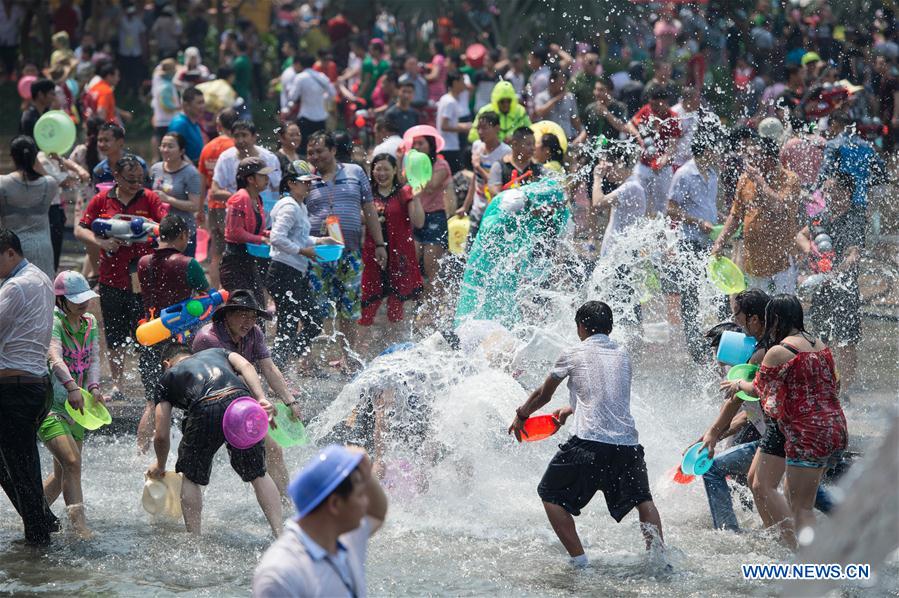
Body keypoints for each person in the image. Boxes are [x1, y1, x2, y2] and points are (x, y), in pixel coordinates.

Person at [508, 301, 664, 567]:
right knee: (643, 500)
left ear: (581, 326)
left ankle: (580, 562)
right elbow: (606, 395)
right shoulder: (623, 354)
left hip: (588, 444)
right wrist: (571, 410)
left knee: (549, 493)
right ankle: (659, 557)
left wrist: (522, 414)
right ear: (610, 327)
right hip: (627, 446)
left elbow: (542, 395)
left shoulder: (572, 353)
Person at [722, 294, 847, 548]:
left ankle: (808, 562)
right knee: (787, 494)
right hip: (834, 428)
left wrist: (737, 384)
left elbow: (758, 389)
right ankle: (791, 548)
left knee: (802, 507)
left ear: (775, 319)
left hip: (807, 435)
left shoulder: (779, 351)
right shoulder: (819, 344)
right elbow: (836, 383)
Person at [148, 343, 282, 536]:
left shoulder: (166, 378)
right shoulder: (217, 352)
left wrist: (160, 465)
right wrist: (261, 397)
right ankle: (279, 533)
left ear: (166, 363)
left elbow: (161, 435)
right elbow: (246, 367)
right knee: (258, 473)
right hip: (241, 401)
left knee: (191, 476)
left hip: (205, 406)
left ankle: (195, 539)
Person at [191, 290, 303, 498]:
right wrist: (262, 405)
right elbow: (232, 379)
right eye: (243, 315)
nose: (249, 322)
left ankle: (287, 504)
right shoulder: (208, 338)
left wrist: (290, 401)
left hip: (242, 405)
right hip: (209, 407)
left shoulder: (254, 333)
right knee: (195, 468)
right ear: (226, 315)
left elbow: (269, 368)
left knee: (273, 452)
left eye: (253, 317)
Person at [75, 154, 168, 399]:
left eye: (140, 179)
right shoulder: (101, 200)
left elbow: (166, 227)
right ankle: (117, 384)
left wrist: (150, 230)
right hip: (111, 278)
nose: (137, 184)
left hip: (143, 279)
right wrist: (101, 242)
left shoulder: (150, 198)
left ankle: (150, 382)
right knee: (115, 334)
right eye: (130, 180)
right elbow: (80, 228)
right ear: (116, 177)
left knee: (145, 330)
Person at [252, 445, 388, 597]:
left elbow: (376, 514)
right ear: (335, 504)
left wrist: (366, 473)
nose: (366, 503)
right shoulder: (281, 574)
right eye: (361, 495)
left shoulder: (345, 538)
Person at [305, 131, 388, 366]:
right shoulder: (305, 178)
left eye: (320, 151)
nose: (315, 157)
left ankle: (348, 358)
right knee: (316, 308)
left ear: (332, 150)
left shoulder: (355, 172)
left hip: (350, 252)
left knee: (349, 309)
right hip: (317, 253)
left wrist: (379, 243)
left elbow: (369, 209)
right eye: (311, 152)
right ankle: (308, 359)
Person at [0, 228, 58, 546]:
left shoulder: (16, 287)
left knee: (22, 471)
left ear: (10, 252)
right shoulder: (40, 277)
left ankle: (39, 548)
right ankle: (42, 519)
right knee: (14, 465)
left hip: (15, 390)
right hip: (33, 385)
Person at [136, 214, 210, 452]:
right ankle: (189, 453)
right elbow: (207, 299)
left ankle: (140, 454)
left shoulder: (143, 262)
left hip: (149, 334)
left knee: (152, 401)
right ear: (182, 236)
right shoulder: (188, 264)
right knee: (189, 401)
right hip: (179, 342)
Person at [41, 271, 103, 539]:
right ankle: (79, 528)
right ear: (60, 301)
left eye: (85, 298)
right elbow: (54, 357)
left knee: (61, 474)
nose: (83, 303)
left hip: (78, 409)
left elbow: (94, 360)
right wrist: (71, 387)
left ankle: (32, 513)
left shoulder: (89, 322)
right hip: (51, 406)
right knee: (72, 461)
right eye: (75, 299)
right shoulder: (53, 322)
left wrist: (94, 387)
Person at [800, 171, 865, 394]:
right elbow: (800, 235)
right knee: (820, 339)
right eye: (825, 191)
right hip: (823, 288)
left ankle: (844, 390)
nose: (828, 195)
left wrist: (835, 274)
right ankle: (825, 387)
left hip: (845, 290)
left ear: (846, 193)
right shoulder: (821, 217)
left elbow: (853, 255)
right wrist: (811, 251)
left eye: (833, 191)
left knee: (846, 342)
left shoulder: (855, 218)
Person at [712, 138, 802, 295]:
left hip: (782, 261)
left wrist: (760, 182)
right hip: (754, 261)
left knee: (781, 311)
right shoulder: (745, 180)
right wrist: (720, 242)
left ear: (770, 159)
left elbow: (779, 207)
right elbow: (735, 215)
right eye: (749, 156)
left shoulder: (790, 180)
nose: (750, 161)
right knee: (756, 312)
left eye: (755, 156)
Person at [266, 160, 333, 369]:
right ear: (291, 183)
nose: (308, 186)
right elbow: (276, 237)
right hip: (283, 271)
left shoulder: (299, 206)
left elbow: (299, 237)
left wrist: (320, 241)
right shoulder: (289, 206)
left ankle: (280, 363)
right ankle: (277, 370)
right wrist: (303, 251)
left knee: (313, 320)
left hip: (295, 272)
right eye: (304, 182)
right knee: (288, 324)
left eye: (310, 182)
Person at [666, 129, 723, 364]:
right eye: (714, 150)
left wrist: (719, 221)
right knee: (691, 293)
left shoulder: (712, 174)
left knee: (717, 290)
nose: (717, 154)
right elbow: (671, 208)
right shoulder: (684, 174)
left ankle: (718, 338)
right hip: (689, 241)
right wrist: (699, 222)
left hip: (709, 240)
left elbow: (709, 205)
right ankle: (694, 345)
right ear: (705, 151)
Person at [360, 154, 424, 347]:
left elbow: (419, 222)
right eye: (377, 169)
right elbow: (360, 218)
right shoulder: (368, 193)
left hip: (400, 257)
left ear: (395, 170)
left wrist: (417, 195)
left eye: (386, 169)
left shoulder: (404, 192)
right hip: (374, 257)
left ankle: (395, 349)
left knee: (396, 307)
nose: (381, 173)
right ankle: (359, 354)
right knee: (367, 306)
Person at [0, 136, 59, 279]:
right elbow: (47, 176)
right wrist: (35, 161)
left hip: (13, 252)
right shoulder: (49, 184)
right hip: (42, 249)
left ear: (13, 157)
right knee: (42, 293)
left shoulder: (2, 184)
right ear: (35, 157)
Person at [221, 157, 273, 305]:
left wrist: (270, 235)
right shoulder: (240, 198)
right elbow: (234, 233)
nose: (267, 179)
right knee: (243, 309)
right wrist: (261, 239)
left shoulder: (257, 199)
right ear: (250, 179)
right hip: (234, 263)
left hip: (249, 261)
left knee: (259, 307)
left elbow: (256, 231)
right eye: (263, 175)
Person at [407, 132, 451, 309]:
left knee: (431, 267)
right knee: (412, 265)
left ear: (431, 146)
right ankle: (420, 305)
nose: (417, 147)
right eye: (415, 144)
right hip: (416, 216)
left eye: (421, 144)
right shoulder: (410, 165)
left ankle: (435, 307)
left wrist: (416, 169)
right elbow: (403, 182)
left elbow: (431, 187)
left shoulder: (441, 164)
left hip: (435, 217)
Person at [197, 108, 239, 287]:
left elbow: (202, 182)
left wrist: (200, 209)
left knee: (216, 253)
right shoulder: (235, 147)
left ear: (219, 125)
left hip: (213, 205)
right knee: (236, 253)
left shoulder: (207, 147)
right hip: (232, 207)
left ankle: (215, 294)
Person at [627, 86, 682, 217]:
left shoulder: (673, 117)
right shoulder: (647, 110)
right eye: (653, 104)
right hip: (644, 165)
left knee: (662, 203)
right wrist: (639, 138)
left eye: (658, 104)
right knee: (638, 197)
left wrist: (665, 158)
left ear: (666, 102)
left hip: (663, 167)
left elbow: (673, 143)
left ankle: (659, 232)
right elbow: (630, 124)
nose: (655, 107)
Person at [456, 111, 511, 236]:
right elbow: (475, 180)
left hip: (494, 211)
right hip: (477, 210)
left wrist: (478, 167)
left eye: (485, 128)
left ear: (497, 128)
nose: (480, 132)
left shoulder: (505, 152)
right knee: (469, 251)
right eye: (478, 128)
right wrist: (465, 206)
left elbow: (498, 186)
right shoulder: (477, 146)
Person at [37, 148, 90, 272]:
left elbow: (67, 177)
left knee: (55, 249)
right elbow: (65, 181)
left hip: (57, 207)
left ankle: (52, 274)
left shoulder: (54, 156)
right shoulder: (41, 158)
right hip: (48, 209)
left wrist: (60, 161)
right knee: (50, 249)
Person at [149, 132, 203, 256]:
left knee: (182, 272)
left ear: (181, 151)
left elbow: (194, 205)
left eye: (170, 146)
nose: (165, 150)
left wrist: (168, 199)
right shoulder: (155, 169)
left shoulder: (191, 173)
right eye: (163, 145)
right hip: (159, 230)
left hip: (182, 233)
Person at [289, 53, 336, 142]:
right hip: (321, 117)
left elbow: (292, 97)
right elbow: (333, 93)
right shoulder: (322, 76)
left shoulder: (300, 78)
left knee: (303, 147)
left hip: (305, 116)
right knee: (318, 145)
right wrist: (324, 98)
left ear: (300, 64)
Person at [533, 68, 583, 141]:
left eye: (564, 84)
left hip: (567, 138)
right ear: (551, 83)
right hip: (549, 140)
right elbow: (540, 112)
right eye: (560, 84)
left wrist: (580, 134)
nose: (563, 87)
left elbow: (575, 119)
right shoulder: (541, 97)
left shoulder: (569, 97)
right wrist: (556, 99)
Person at [436, 72, 471, 173]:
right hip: (449, 147)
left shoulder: (446, 99)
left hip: (447, 146)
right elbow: (444, 126)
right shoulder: (450, 102)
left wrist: (466, 125)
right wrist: (464, 128)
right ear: (455, 83)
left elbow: (449, 123)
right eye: (462, 81)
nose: (465, 84)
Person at [167, 87, 207, 164]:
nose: (203, 106)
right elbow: (173, 153)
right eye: (199, 103)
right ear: (186, 105)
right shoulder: (179, 124)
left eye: (203, 102)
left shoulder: (194, 122)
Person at [150, 59, 180, 158]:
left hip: (161, 120)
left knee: (162, 147)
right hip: (167, 121)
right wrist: (179, 107)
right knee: (169, 148)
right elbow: (166, 105)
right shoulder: (165, 86)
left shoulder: (161, 82)